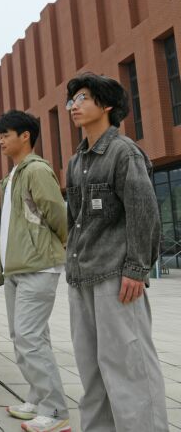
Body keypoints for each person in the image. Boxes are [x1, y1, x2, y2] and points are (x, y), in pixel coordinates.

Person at [64, 72, 167, 432]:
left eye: (83, 98)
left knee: (129, 367)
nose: (74, 106)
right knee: (91, 372)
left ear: (107, 105)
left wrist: (137, 268)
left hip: (115, 277)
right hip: (81, 276)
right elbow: (75, 221)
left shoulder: (124, 152)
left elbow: (144, 212)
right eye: (72, 100)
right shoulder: (76, 161)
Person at [0, 110, 70, 432]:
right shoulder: (13, 175)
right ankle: (38, 398)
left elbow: (58, 214)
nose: (1, 141)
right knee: (24, 336)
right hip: (16, 267)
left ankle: (55, 411)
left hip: (37, 266)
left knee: (29, 337)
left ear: (25, 136)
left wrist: (57, 246)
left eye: (6, 135)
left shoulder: (36, 170)